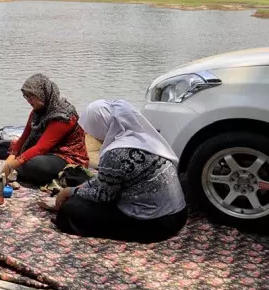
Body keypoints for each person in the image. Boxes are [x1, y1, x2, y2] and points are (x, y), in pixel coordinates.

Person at [49, 100, 188, 243]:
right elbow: (110, 179)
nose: (92, 136)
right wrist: (79, 188)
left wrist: (69, 192)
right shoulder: (145, 138)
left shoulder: (116, 153)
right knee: (83, 187)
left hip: (156, 223)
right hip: (179, 215)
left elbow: (104, 196)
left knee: (71, 210)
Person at [0, 74, 89, 186]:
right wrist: (10, 159)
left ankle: (21, 171)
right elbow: (23, 139)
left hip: (64, 156)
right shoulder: (36, 112)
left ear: (43, 94)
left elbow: (41, 148)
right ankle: (18, 169)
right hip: (41, 152)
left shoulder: (64, 116)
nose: (29, 100)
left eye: (32, 96)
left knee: (32, 165)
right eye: (26, 96)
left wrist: (10, 166)